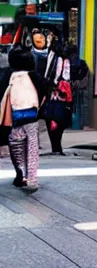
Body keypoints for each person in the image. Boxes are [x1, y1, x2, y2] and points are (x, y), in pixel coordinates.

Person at [0, 47, 45, 192]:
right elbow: (46, 88)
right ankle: (32, 177)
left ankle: (20, 171)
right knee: (32, 146)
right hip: (32, 116)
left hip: (14, 117)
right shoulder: (33, 75)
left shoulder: (7, 75)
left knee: (15, 143)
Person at [43, 38, 72, 155]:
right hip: (61, 96)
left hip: (52, 94)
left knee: (52, 121)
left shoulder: (51, 57)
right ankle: (57, 147)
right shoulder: (64, 60)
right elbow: (66, 77)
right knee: (59, 121)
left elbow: (48, 75)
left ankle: (55, 146)